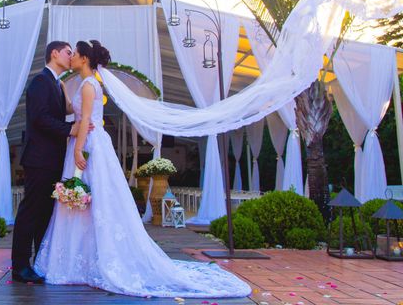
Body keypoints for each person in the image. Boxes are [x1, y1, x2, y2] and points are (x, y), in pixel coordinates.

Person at [34, 39, 251, 298]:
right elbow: (76, 110)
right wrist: (64, 92)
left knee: (91, 198)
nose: (72, 58)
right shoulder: (87, 84)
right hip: (87, 142)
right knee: (87, 200)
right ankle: (82, 257)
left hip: (87, 145)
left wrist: (79, 149)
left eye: (75, 54)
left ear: (84, 59)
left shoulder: (90, 86)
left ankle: (85, 259)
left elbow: (84, 123)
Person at [11, 40, 87, 283]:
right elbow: (40, 119)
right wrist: (71, 130)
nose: (71, 56)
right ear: (54, 54)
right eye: (67, 52)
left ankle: (39, 262)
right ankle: (20, 265)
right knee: (30, 212)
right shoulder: (40, 82)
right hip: (39, 158)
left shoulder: (56, 84)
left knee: (45, 213)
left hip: (53, 159)